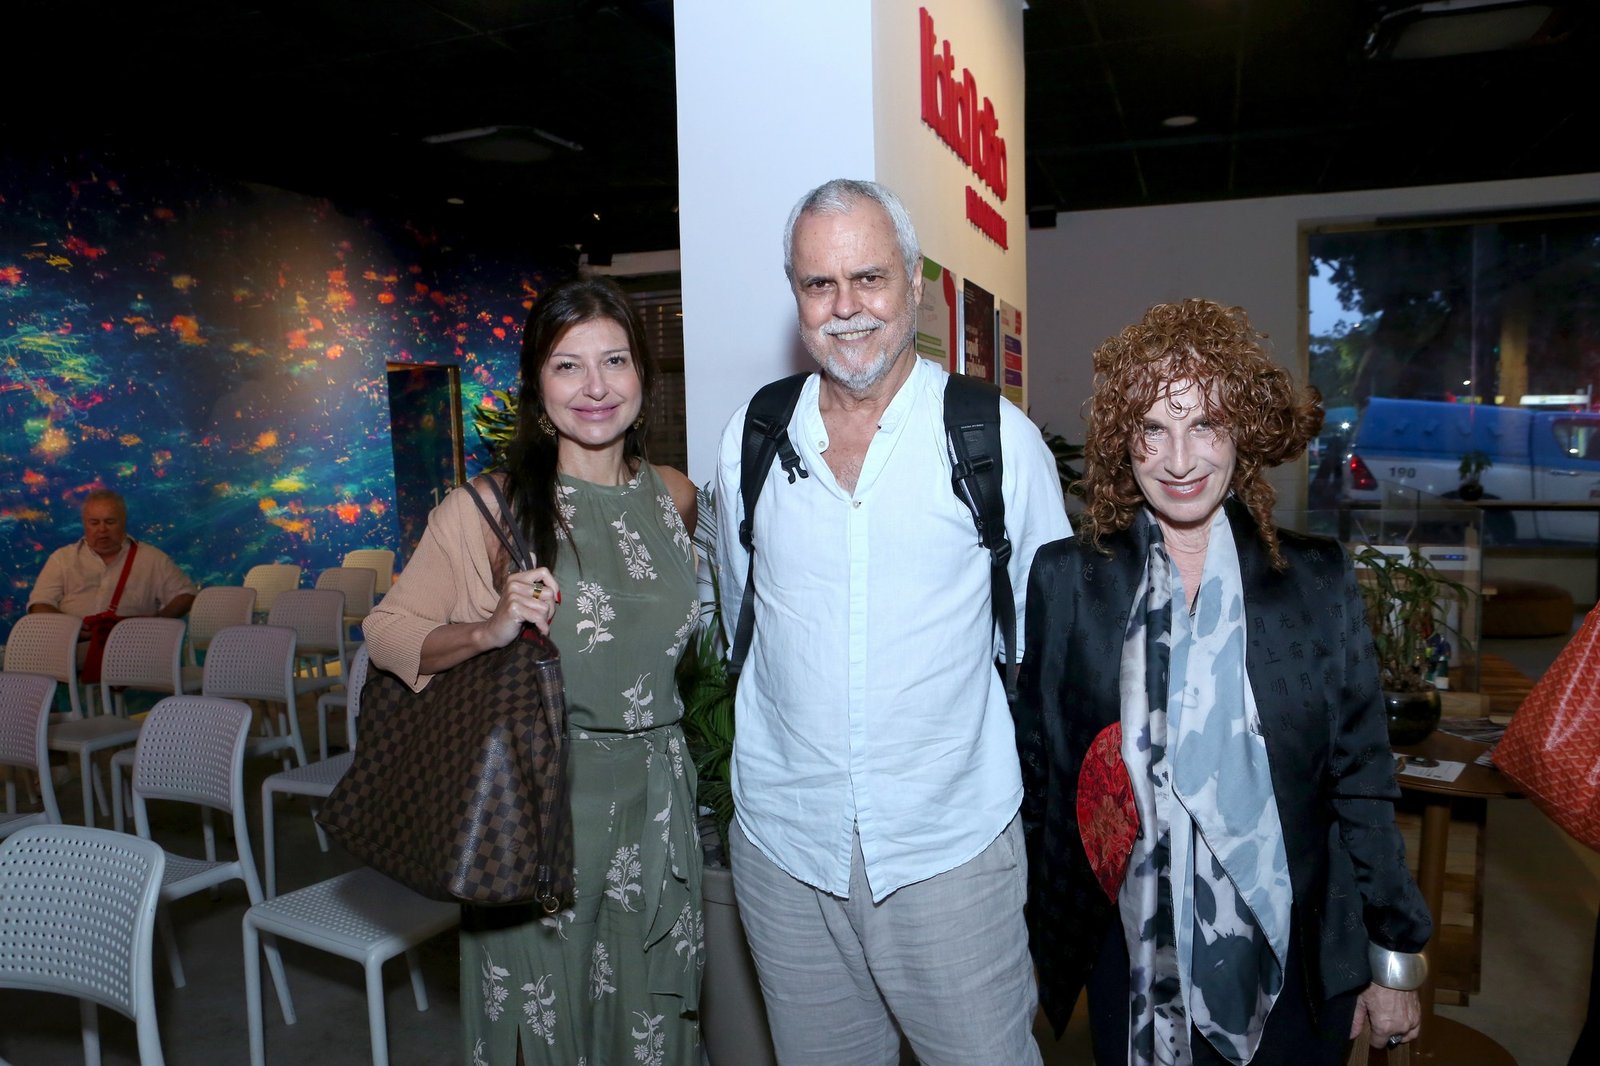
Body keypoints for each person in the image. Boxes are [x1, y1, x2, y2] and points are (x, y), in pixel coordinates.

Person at [1015, 298, 1433, 1066]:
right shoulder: (1069, 581)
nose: (1179, 460)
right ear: (1123, 440)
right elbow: (1038, 775)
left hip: (1295, 958)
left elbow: (1362, 782)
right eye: (1153, 429)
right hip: (1128, 954)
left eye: (1204, 424)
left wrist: (1392, 954)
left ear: (1243, 430)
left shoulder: (1313, 580)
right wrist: (1031, 937)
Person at [714, 178, 1069, 1065]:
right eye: (819, 284)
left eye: (868, 278)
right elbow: (741, 614)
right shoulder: (752, 438)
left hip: (948, 851)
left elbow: (1049, 643)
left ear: (914, 283)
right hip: (785, 848)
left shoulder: (996, 441)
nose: (846, 308)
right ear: (796, 296)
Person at [364, 276, 703, 1065]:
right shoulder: (489, 508)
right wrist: (488, 630)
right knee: (546, 1025)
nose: (595, 387)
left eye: (614, 361)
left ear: (644, 375)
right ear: (536, 386)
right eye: (567, 366)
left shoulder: (676, 498)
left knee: (649, 1023)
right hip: (537, 810)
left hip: (657, 805)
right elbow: (386, 634)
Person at [28, 488, 195, 633]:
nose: (102, 529)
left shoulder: (152, 559)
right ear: (84, 524)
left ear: (123, 522)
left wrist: (155, 625)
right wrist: (72, 630)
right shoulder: (62, 559)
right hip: (70, 649)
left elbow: (186, 595)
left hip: (132, 650)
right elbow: (39, 604)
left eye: (110, 522)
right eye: (94, 523)